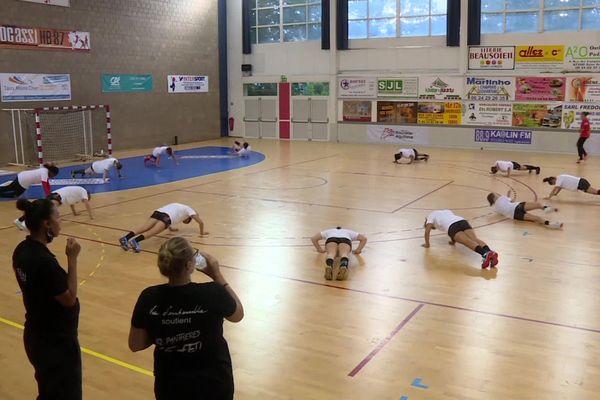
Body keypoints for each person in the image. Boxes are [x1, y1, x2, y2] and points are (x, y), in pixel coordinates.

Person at [129, 237, 243, 400]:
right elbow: (238, 314)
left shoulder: (149, 297)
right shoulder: (212, 292)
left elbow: (135, 344)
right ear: (190, 265)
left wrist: (168, 336)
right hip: (213, 383)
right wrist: (217, 275)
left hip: (171, 385)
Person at [12, 198, 82, 400]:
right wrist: (72, 259)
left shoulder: (22, 251)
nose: (61, 221)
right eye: (58, 217)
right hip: (56, 344)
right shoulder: (43, 261)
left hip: (36, 335)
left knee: (49, 392)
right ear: (46, 223)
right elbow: (68, 298)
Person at [423, 209, 499, 269]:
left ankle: (485, 254)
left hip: (452, 227)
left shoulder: (430, 216)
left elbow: (427, 230)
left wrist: (427, 244)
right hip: (462, 221)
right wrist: (453, 241)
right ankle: (490, 253)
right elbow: (448, 221)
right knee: (475, 239)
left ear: (426, 220)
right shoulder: (445, 211)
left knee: (467, 241)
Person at [119, 203, 208, 252]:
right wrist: (201, 232)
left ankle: (126, 238)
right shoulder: (190, 211)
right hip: (167, 217)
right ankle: (135, 241)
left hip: (158, 212)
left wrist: (171, 228)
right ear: (189, 218)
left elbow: (172, 213)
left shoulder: (181, 206)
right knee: (153, 232)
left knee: (144, 227)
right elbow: (200, 222)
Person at [0, 163, 60, 230]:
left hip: (21, 175)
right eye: (53, 175)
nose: (53, 177)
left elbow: (47, 184)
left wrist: (49, 192)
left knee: (10, 187)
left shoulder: (45, 170)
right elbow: (44, 184)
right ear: (51, 172)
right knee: (15, 194)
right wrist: (48, 194)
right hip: (24, 181)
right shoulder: (44, 173)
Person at [486, 192, 562, 229]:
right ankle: (547, 209)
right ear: (494, 197)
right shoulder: (501, 198)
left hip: (515, 215)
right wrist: (508, 194)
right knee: (538, 205)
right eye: (496, 194)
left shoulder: (496, 208)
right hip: (517, 206)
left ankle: (553, 224)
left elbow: (505, 206)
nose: (497, 194)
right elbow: (512, 201)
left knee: (536, 218)